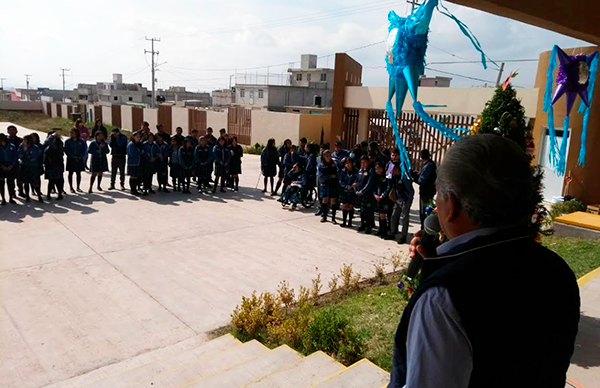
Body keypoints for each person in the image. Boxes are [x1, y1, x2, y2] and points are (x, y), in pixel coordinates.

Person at [389, 134, 580, 388]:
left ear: (451, 206)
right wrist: (440, 263)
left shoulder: (443, 299)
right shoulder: (557, 270)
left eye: (439, 196)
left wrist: (442, 278)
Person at [388, 162, 414, 244]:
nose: (392, 171)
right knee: (393, 216)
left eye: (394, 169)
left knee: (404, 219)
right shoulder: (395, 177)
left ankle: (403, 236)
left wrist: (408, 201)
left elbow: (411, 191)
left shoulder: (404, 178)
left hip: (404, 201)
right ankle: (392, 233)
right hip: (397, 200)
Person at [412, 149, 437, 229]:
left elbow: (421, 180)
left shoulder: (428, 166)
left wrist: (414, 177)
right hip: (428, 192)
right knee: (426, 212)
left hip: (426, 193)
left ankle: (425, 230)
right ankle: (424, 229)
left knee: (425, 213)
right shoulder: (430, 164)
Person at [18, 135, 43, 202]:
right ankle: (27, 196)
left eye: (25, 140)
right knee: (26, 183)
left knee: (35, 182)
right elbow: (20, 155)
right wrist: (25, 153)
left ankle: (39, 195)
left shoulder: (35, 147)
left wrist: (28, 156)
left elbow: (37, 155)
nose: (24, 141)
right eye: (23, 140)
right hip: (25, 166)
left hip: (33, 167)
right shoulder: (21, 146)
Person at [317, 150, 339, 223]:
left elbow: (337, 173)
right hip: (325, 184)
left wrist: (334, 176)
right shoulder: (321, 165)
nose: (329, 157)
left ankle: (333, 218)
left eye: (330, 155)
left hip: (333, 184)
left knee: (333, 200)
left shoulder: (334, 163)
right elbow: (321, 177)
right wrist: (330, 176)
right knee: (325, 200)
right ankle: (324, 216)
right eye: (327, 156)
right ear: (324, 156)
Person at [355, 155, 374, 234]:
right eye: (361, 162)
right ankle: (363, 224)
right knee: (362, 211)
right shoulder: (360, 170)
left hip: (367, 194)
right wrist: (356, 189)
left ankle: (368, 226)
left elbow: (369, 183)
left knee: (368, 211)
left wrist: (363, 191)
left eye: (364, 162)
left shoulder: (371, 170)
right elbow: (357, 180)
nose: (363, 164)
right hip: (360, 194)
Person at [43, 132, 65, 201]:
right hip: (53, 165)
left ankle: (56, 194)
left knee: (54, 180)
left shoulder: (58, 145)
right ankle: (53, 194)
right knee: (53, 180)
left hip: (55, 165)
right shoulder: (51, 145)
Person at [64, 127, 86, 193]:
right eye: (70, 132)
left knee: (78, 173)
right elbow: (66, 150)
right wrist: (72, 156)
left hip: (79, 159)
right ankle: (71, 187)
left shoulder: (81, 141)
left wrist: (79, 157)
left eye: (72, 132)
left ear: (76, 133)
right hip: (71, 159)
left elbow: (84, 150)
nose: (71, 134)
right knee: (70, 173)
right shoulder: (67, 141)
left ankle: (78, 187)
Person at [372, 162, 391, 238]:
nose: (378, 170)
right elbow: (373, 187)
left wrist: (383, 195)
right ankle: (380, 230)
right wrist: (375, 195)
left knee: (383, 216)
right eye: (376, 169)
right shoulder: (375, 177)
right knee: (379, 215)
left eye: (379, 168)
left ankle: (384, 232)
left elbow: (389, 187)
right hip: (377, 197)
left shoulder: (387, 176)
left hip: (384, 198)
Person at [338, 157, 358, 228]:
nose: (348, 165)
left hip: (352, 191)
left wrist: (353, 185)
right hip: (344, 191)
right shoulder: (343, 171)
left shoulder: (356, 171)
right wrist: (346, 186)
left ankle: (350, 222)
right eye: (346, 163)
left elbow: (357, 179)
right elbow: (341, 181)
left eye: (349, 163)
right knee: (344, 206)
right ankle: (344, 221)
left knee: (350, 206)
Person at [0, 133, 18, 205]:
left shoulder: (12, 146)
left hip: (10, 166)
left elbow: (15, 156)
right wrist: (1, 166)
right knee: (1, 184)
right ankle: (3, 198)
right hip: (1, 166)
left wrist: (12, 165)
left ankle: (11, 198)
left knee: (10, 183)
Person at [6, 125, 23, 197]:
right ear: (8, 131)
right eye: (10, 130)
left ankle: (21, 191)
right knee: (10, 179)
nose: (12, 132)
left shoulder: (20, 140)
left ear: (16, 131)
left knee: (20, 178)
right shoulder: (6, 141)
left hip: (18, 162)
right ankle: (12, 192)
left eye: (13, 130)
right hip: (9, 162)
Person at [126, 132, 143, 196]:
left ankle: (135, 189)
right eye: (137, 136)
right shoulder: (131, 145)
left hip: (138, 163)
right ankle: (132, 190)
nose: (138, 138)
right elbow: (133, 154)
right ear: (133, 137)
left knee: (136, 177)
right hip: (132, 163)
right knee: (133, 177)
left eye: (139, 136)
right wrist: (140, 153)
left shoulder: (138, 144)